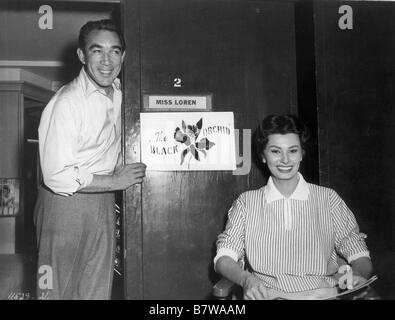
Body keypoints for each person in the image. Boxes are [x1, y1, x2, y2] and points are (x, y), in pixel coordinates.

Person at [34, 19, 146, 300]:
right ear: (82, 56)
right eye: (97, 51)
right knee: (55, 291)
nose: (107, 60)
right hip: (64, 203)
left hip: (104, 200)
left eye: (115, 51)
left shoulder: (120, 93)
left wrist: (118, 170)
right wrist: (115, 180)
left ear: (124, 56)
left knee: (96, 290)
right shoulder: (67, 102)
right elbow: (57, 175)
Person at [214, 114, 373, 300]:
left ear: (301, 154)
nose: (285, 160)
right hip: (267, 296)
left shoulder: (328, 199)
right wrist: (246, 279)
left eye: (292, 150)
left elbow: (359, 254)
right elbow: (224, 258)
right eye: (275, 151)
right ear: (263, 156)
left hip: (323, 295)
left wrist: (358, 275)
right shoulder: (246, 203)